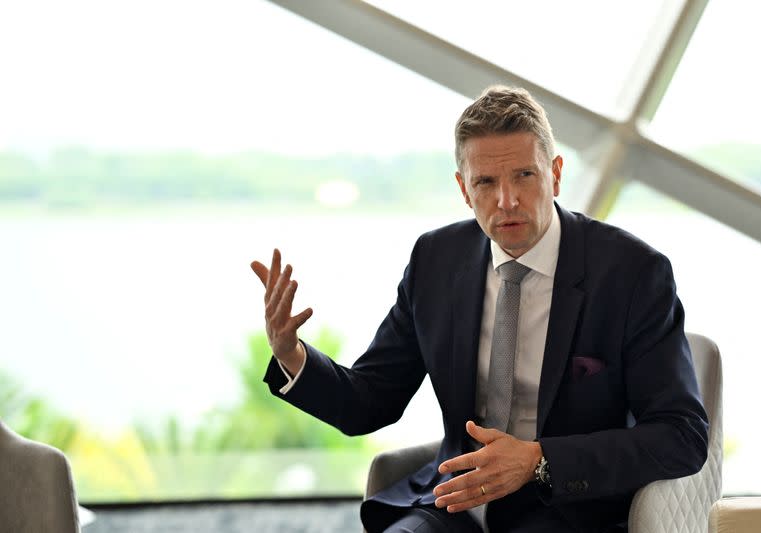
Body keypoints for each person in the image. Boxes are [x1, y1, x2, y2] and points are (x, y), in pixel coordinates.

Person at [251, 86, 708, 533]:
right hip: (453, 503)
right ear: (464, 189)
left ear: (556, 173)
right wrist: (292, 355)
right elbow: (369, 403)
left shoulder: (632, 273)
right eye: (485, 182)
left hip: (569, 508)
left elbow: (681, 435)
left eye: (524, 176)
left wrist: (538, 460)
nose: (506, 200)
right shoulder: (436, 260)